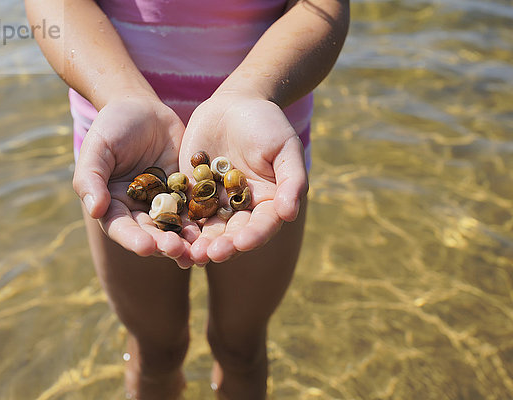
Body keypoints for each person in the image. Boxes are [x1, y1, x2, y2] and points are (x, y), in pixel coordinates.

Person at [26, 0, 349, 398]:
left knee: (242, 348)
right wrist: (122, 94)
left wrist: (249, 92)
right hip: (122, 148)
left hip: (258, 153)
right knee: (155, 349)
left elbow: (322, 7)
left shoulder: (234, 179)